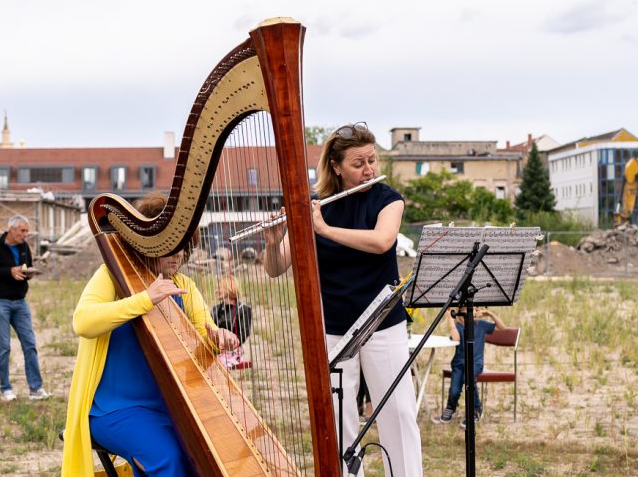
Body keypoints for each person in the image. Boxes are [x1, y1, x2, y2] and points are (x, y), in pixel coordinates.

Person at [263, 122, 422, 476]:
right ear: (335, 166)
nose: (369, 169)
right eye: (358, 163)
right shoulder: (315, 204)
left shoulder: (388, 199)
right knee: (340, 422)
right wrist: (274, 241)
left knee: (398, 413)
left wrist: (324, 230)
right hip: (334, 325)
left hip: (382, 322)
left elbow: (382, 241)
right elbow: (276, 268)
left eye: (372, 160)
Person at [61, 193, 240, 477]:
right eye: (170, 247)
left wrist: (218, 340)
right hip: (114, 408)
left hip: (171, 406)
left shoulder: (185, 286)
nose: (178, 254)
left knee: (205, 460)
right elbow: (83, 323)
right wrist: (146, 298)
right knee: (167, 460)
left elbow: (204, 338)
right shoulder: (110, 277)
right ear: (147, 245)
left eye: (183, 247)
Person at [0, 215, 50, 401]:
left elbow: (27, 268)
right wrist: (9, 271)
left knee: (30, 344)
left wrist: (29, 273)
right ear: (11, 230)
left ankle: (36, 389)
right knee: (4, 347)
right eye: (23, 231)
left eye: (27, 231)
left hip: (20, 302)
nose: (26, 235)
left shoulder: (24, 247)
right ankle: (5, 389)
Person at [435, 307, 507, 427]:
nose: (473, 310)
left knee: (468, 378)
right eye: (469, 308)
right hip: (459, 364)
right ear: (461, 312)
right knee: (454, 390)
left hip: (475, 363)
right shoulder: (458, 326)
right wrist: (450, 319)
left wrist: (489, 313)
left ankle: (476, 410)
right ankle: (450, 407)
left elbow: (503, 327)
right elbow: (456, 337)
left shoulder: (481, 324)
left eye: (475, 308)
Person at [211, 275, 253, 369]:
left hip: (233, 351)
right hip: (216, 349)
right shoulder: (215, 309)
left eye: (219, 287)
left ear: (229, 288)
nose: (216, 290)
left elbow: (243, 335)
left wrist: (228, 344)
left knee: (217, 365)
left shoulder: (244, 309)